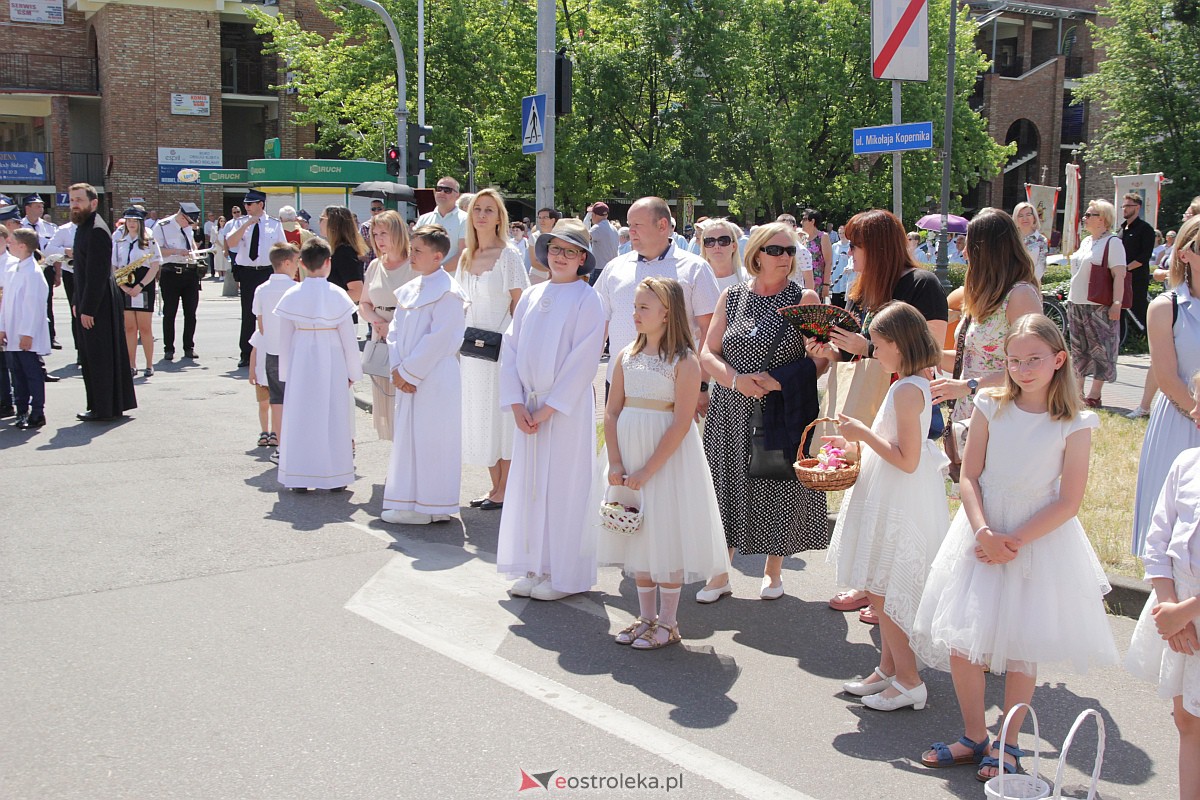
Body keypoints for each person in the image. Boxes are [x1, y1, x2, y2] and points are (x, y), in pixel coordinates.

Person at [912, 315, 1117, 780]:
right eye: (1014, 360)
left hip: (1036, 538)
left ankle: (1008, 742)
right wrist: (984, 531)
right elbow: (968, 475)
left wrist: (1016, 541)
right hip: (982, 529)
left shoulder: (1075, 422)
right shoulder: (989, 404)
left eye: (1034, 360)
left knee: (1021, 647)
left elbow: (1069, 500)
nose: (1023, 369)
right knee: (964, 643)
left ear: (1059, 359)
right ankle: (973, 735)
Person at [816, 209, 949, 622]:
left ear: (876, 247)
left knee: (898, 501)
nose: (849, 253)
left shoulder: (921, 285)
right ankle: (875, 586)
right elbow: (867, 346)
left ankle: (892, 595)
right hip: (877, 405)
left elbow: (932, 352)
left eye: (855, 245)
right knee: (871, 496)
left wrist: (865, 347)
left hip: (903, 408)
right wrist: (832, 349)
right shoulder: (870, 290)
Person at [826, 302, 948, 710]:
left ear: (898, 345)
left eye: (878, 345)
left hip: (900, 495)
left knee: (885, 589)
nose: (873, 352)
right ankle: (888, 669)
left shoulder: (908, 389)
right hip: (890, 490)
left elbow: (906, 459)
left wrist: (861, 433)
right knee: (878, 588)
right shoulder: (906, 383)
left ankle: (910, 680)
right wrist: (849, 446)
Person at [597, 277, 731, 649]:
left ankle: (669, 622)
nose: (635, 313)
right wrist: (615, 462)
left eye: (643, 307)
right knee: (637, 532)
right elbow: (611, 412)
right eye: (635, 306)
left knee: (665, 533)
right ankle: (645, 616)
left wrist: (648, 470)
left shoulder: (684, 361)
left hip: (666, 459)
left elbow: (681, 421)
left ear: (666, 312)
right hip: (629, 452)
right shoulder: (626, 355)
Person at [697, 222, 827, 602]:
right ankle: (721, 572)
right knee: (725, 486)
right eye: (776, 250)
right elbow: (708, 351)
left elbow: (823, 360)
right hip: (729, 409)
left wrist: (778, 379)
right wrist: (735, 380)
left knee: (777, 484)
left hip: (781, 407)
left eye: (790, 251)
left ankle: (773, 571)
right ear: (756, 254)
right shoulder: (733, 297)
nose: (785, 257)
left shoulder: (804, 298)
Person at [496, 218, 606, 601]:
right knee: (529, 486)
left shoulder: (587, 299)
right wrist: (514, 402)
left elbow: (584, 360)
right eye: (555, 249)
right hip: (527, 405)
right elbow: (510, 348)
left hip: (564, 410)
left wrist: (549, 408)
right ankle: (534, 564)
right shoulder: (530, 294)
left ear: (582, 259)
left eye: (570, 251)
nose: (560, 257)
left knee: (563, 485)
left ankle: (565, 573)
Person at [1125, 377, 1200, 800]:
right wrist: (1171, 611)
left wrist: (1187, 610)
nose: (1194, 413)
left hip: (1191, 611)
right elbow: (1158, 542)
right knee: (1187, 717)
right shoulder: (1186, 464)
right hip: (1178, 614)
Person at [594, 197, 720, 416]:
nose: (630, 231)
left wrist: (701, 384)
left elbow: (710, 330)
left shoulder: (694, 268)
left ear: (662, 225)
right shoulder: (615, 268)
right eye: (629, 225)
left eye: (637, 225)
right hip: (619, 385)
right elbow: (599, 325)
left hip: (674, 388)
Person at [380, 225, 469, 525]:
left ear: (438, 256)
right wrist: (396, 368)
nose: (411, 255)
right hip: (407, 376)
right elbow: (394, 332)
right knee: (409, 437)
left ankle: (433, 504)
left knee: (434, 438)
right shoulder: (409, 289)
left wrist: (409, 371)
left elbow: (440, 337)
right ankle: (411, 500)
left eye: (418, 250)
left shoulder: (449, 291)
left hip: (435, 377)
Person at [931, 209, 1042, 422]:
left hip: (1005, 418)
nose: (964, 254)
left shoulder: (1020, 296)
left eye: (969, 246)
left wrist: (968, 386)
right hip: (972, 416)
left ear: (987, 251)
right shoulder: (983, 296)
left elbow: (1031, 368)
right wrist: (922, 354)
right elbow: (971, 360)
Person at [1131, 215, 1200, 557]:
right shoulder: (1166, 307)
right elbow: (1167, 377)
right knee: (1175, 525)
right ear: (1184, 254)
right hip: (1180, 419)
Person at [272, 237, 362, 493]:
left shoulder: (292, 294)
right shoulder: (337, 294)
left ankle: (299, 476)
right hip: (332, 359)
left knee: (301, 416)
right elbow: (349, 339)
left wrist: (286, 373)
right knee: (334, 415)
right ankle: (335, 476)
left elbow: (284, 339)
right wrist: (353, 372)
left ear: (301, 264)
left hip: (301, 359)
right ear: (328, 263)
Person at [457, 188, 528, 509]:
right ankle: (494, 486)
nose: (482, 215)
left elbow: (521, 305)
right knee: (480, 416)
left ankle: (507, 488)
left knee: (502, 418)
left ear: (499, 217)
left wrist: (515, 349)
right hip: (472, 350)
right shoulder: (465, 256)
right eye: (477, 209)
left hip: (501, 348)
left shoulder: (509, 255)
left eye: (489, 210)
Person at [69, 183, 136, 422]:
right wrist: (78, 301)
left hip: (99, 304)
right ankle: (101, 405)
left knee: (99, 357)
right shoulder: (83, 227)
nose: (74, 204)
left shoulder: (96, 229)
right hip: (89, 300)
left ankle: (103, 408)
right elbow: (81, 271)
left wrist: (88, 308)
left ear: (93, 203)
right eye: (72, 200)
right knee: (91, 355)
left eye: (79, 199)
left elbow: (97, 275)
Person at [359, 210, 417, 441]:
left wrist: (392, 325)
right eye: (375, 234)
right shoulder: (374, 265)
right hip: (380, 337)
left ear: (398, 233)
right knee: (387, 402)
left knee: (408, 401)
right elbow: (363, 303)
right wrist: (376, 322)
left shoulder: (414, 263)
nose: (379, 239)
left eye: (384, 233)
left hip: (407, 338)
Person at [1067, 199, 1127, 408]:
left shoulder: (1113, 242)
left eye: (1089, 215)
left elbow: (1119, 275)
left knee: (1101, 348)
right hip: (1076, 301)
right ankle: (1077, 391)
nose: (1084, 218)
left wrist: (1117, 303)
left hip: (1098, 304)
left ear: (1102, 219)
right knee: (1078, 348)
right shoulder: (1086, 242)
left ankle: (1095, 394)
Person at [249, 242, 300, 455]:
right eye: (296, 262)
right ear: (287, 262)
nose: (298, 267)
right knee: (295, 399)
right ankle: (296, 443)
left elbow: (260, 324)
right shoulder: (296, 289)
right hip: (294, 351)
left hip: (271, 351)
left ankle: (281, 447)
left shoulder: (261, 289)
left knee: (276, 399)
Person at [227, 190, 286, 367]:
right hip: (247, 271)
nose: (247, 207)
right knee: (248, 313)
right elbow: (231, 243)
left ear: (261, 204)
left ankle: (270, 349)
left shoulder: (274, 224)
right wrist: (245, 226)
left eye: (250, 204)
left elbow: (281, 249)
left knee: (270, 312)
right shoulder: (240, 222)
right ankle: (246, 352)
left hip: (266, 271)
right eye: (245, 204)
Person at [0, 228, 50, 429]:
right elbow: (6, 304)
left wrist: (27, 333)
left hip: (25, 334)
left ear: (22, 246)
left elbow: (34, 305)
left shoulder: (33, 272)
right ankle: (22, 411)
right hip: (12, 333)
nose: (8, 244)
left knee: (32, 374)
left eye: (11, 242)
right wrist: (2, 328)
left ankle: (37, 412)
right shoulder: (13, 269)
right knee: (17, 374)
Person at [152, 202, 206, 362]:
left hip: (189, 271)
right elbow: (156, 249)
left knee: (191, 312)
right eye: (188, 222)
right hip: (171, 271)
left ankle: (189, 346)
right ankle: (169, 348)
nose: (189, 225)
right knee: (170, 313)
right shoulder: (162, 226)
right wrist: (177, 252)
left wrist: (194, 253)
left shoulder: (187, 226)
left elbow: (191, 242)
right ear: (181, 215)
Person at [112, 208, 161, 378]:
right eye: (128, 220)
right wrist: (123, 286)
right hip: (124, 282)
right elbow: (114, 264)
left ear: (140, 222)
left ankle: (149, 364)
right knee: (129, 328)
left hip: (143, 283)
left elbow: (155, 264)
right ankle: (131, 364)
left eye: (135, 221)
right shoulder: (118, 238)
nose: (131, 224)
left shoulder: (149, 237)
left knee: (145, 327)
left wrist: (140, 285)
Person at [19, 195, 60, 349]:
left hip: (45, 269)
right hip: (24, 270)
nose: (41, 209)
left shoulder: (50, 227)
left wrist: (58, 273)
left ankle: (50, 336)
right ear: (27, 208)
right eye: (37, 206)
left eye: (42, 206)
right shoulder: (19, 227)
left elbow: (54, 252)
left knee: (47, 302)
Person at [318, 206, 367, 322]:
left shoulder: (343, 252)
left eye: (322, 219)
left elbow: (357, 292)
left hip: (341, 318)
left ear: (333, 223)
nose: (318, 222)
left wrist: (327, 300)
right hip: (336, 316)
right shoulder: (337, 250)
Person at [1121, 192, 1158, 333]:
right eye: (1123, 206)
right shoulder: (1121, 229)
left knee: (1138, 307)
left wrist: (1127, 268)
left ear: (1137, 207)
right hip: (1120, 277)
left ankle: (1143, 336)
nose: (1124, 209)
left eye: (1128, 206)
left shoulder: (1145, 229)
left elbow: (1144, 256)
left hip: (1136, 278)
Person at [415, 176, 468, 270]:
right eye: (439, 189)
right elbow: (415, 248)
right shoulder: (424, 219)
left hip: (452, 279)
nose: (442, 193)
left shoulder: (465, 219)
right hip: (425, 278)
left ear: (457, 195)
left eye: (447, 190)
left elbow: (463, 254)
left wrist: (437, 272)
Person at [43, 215, 78, 355]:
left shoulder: (94, 228)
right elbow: (48, 249)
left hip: (90, 273)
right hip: (71, 273)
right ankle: (80, 350)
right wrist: (66, 251)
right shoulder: (64, 230)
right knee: (75, 311)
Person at [697, 218, 747, 291]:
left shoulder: (747, 278)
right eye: (710, 241)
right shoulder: (695, 280)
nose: (717, 246)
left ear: (734, 246)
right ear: (704, 248)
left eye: (723, 240)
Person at [801, 209, 834, 303]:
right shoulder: (803, 238)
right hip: (803, 281)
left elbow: (828, 262)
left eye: (804, 219)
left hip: (818, 283)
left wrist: (826, 285)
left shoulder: (823, 237)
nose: (801, 222)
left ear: (812, 221)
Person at [1013, 202, 1049, 283]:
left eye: (1028, 214)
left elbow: (1041, 265)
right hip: (1010, 284)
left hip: (1032, 283)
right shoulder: (1011, 239)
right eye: (1020, 215)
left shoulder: (1041, 240)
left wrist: (1027, 282)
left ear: (1034, 218)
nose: (1025, 218)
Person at [526, 206, 562, 280]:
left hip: (557, 275)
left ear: (553, 220)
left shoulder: (560, 237)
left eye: (545, 217)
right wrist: (550, 270)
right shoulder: (534, 237)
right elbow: (533, 262)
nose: (541, 220)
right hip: (537, 275)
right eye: (539, 218)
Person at [588, 201, 620, 284]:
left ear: (594, 215)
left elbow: (583, 238)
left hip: (599, 269)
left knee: (593, 295)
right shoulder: (613, 228)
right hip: (612, 267)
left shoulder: (597, 228)